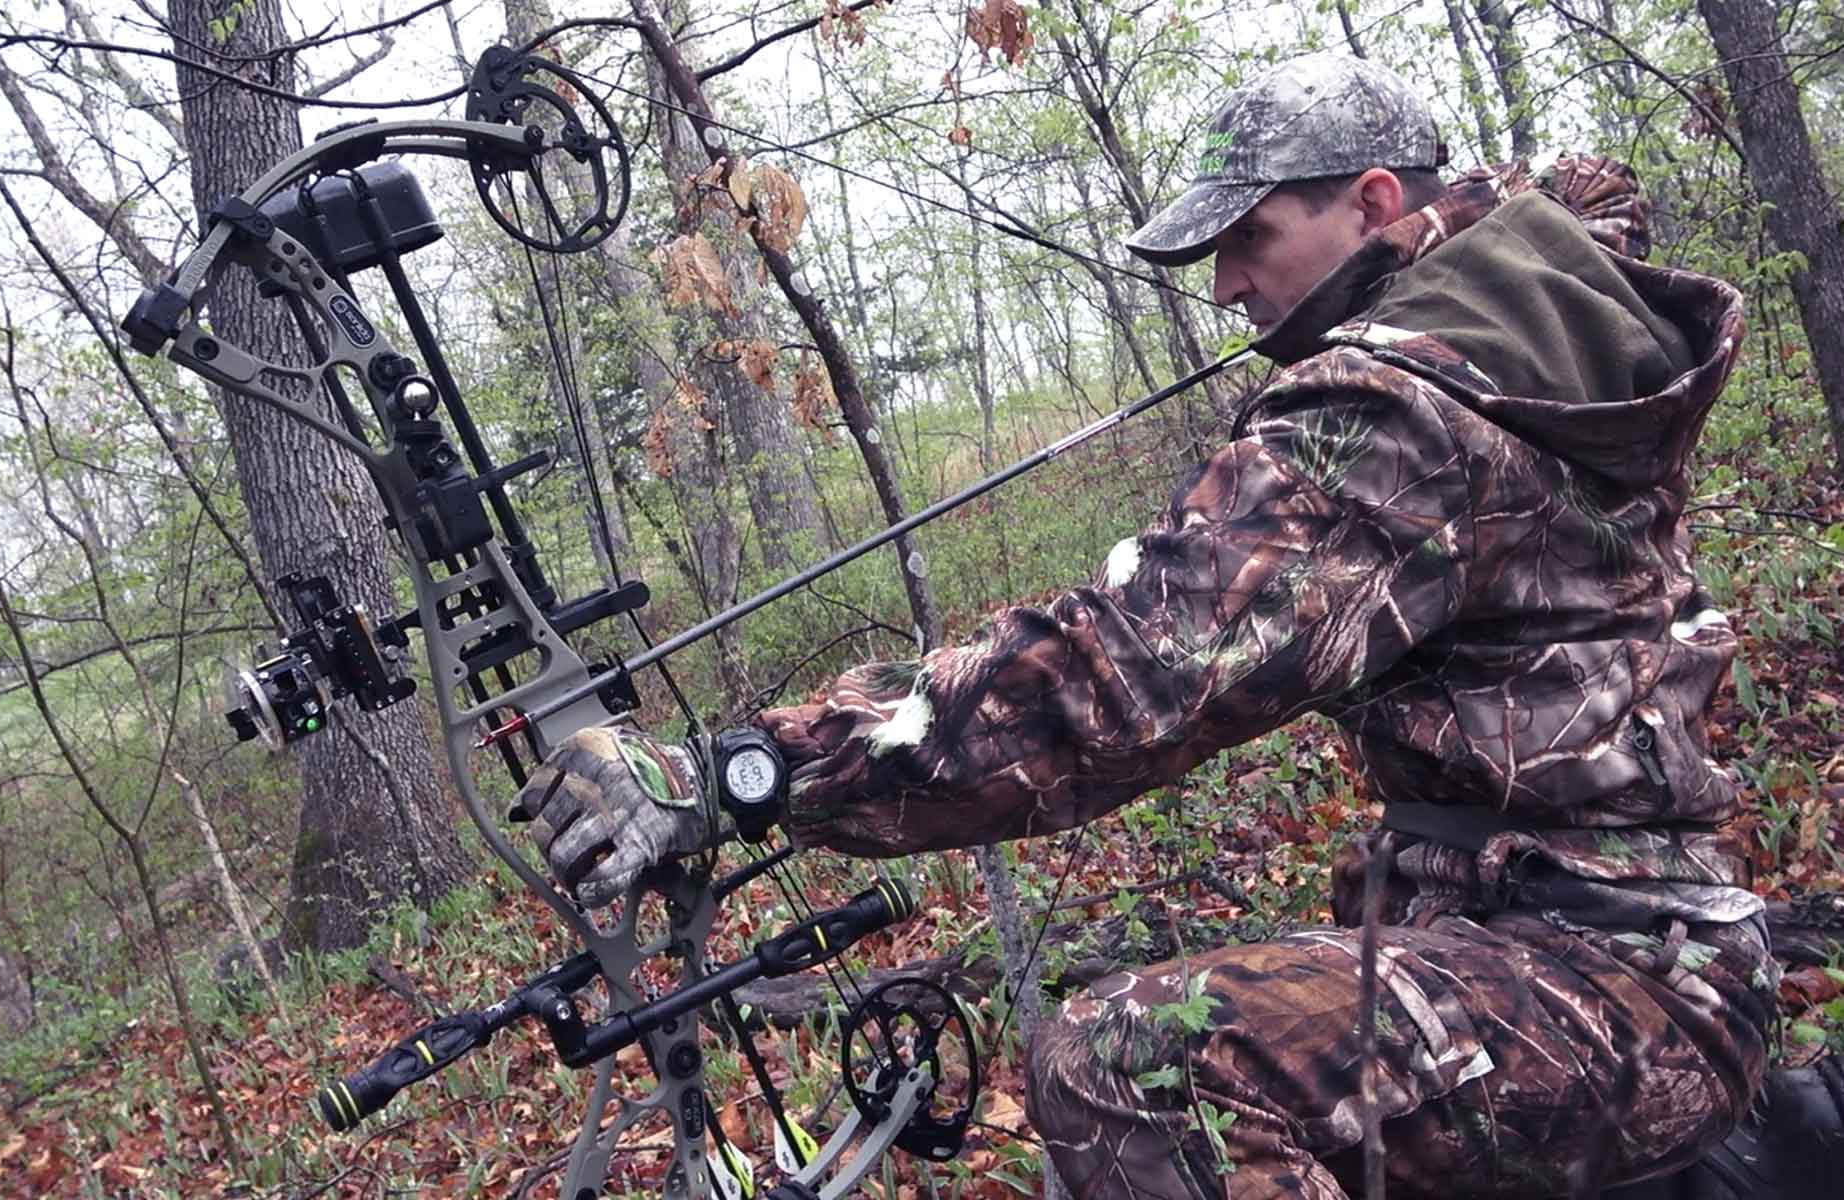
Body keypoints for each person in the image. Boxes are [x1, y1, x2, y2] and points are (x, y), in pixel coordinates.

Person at [515, 54, 1771, 1198]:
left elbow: (1124, 678)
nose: (1226, 286)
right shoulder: (1529, 307)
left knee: (1137, 1063)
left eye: (1250, 239)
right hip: (1586, 937)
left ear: (1374, 202)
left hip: (1610, 974)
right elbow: (1584, 188)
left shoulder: (1397, 416)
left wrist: (750, 768)